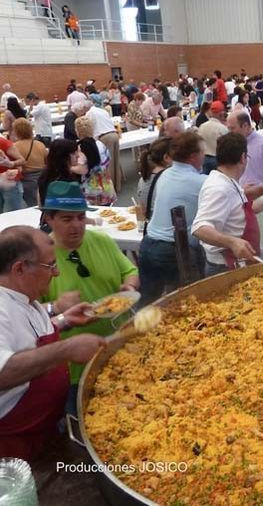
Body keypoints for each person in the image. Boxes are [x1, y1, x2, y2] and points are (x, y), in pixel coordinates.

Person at [0, 226, 103, 460]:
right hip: (16, 449)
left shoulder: (26, 297)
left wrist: (64, 320)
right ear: (20, 268)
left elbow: (28, 337)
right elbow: (2, 370)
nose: (56, 273)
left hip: (46, 428)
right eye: (50, 266)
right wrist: (66, 349)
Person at [40, 181, 138, 387]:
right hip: (75, 362)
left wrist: (129, 286)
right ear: (49, 218)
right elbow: (28, 315)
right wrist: (56, 307)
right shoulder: (40, 258)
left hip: (122, 341)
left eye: (81, 217)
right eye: (67, 219)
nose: (76, 225)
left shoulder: (102, 240)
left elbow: (130, 270)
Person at [192, 133, 263, 276]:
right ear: (243, 158)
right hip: (224, 266)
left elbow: (241, 211)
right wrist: (232, 242)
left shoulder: (229, 181)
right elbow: (199, 228)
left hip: (238, 262)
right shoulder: (218, 188)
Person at [138, 132, 207, 306]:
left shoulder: (164, 175)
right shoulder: (200, 182)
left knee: (147, 304)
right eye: (202, 153)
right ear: (193, 157)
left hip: (148, 244)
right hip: (173, 250)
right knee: (188, 303)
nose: (204, 157)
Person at [226, 110, 263, 188]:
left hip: (261, 195)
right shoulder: (233, 144)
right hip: (242, 194)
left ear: (245, 126)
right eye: (228, 128)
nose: (230, 132)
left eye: (232, 128)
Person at [74, 116, 115, 206]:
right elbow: (108, 164)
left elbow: (82, 169)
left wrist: (68, 167)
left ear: (77, 131)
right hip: (105, 185)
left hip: (91, 189)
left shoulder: (81, 148)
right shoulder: (100, 144)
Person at [85, 102, 121, 191]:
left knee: (108, 164)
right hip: (114, 134)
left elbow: (90, 129)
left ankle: (112, 188)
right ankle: (118, 185)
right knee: (116, 161)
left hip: (105, 137)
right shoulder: (102, 110)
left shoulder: (89, 114)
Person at [12, 118, 47, 208]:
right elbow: (47, 161)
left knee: (33, 206)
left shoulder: (15, 147)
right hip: (43, 177)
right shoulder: (40, 144)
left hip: (27, 180)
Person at [136, 137, 172, 223]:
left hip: (151, 226)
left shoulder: (143, 179)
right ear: (166, 158)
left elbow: (142, 210)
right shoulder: (168, 180)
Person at [37, 139, 81, 206]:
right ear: (63, 156)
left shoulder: (46, 174)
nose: (78, 156)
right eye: (73, 153)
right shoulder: (62, 178)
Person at [198, 100, 229, 174]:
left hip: (204, 158)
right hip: (217, 159)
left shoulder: (202, 126)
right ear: (221, 113)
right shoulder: (222, 128)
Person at [0, 133, 26, 212]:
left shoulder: (3, 143)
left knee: (13, 214)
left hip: (10, 183)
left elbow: (22, 160)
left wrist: (11, 164)